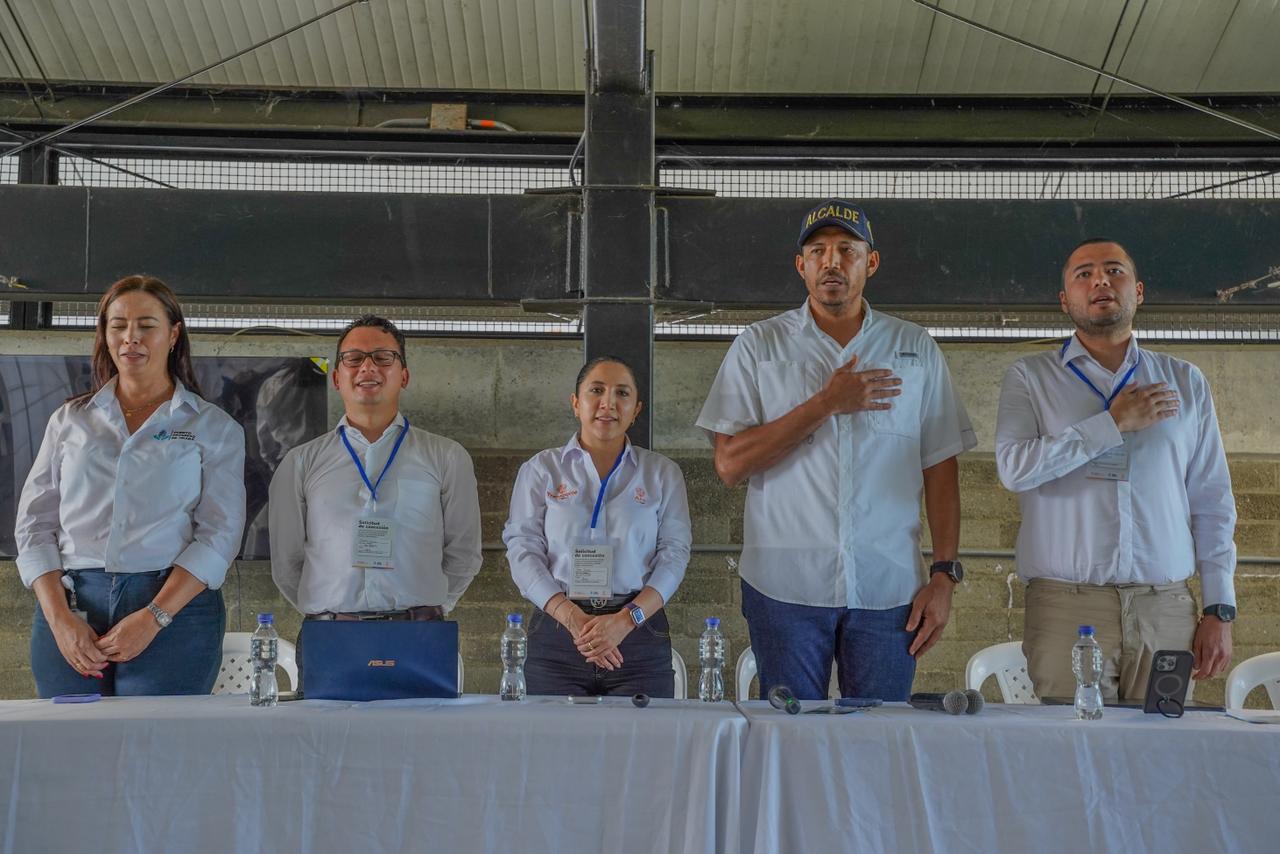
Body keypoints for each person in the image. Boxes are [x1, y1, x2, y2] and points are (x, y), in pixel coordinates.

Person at [696, 200, 976, 701]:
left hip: (889, 589)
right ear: (800, 266)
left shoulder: (914, 347)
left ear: (870, 263)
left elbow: (940, 468)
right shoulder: (759, 345)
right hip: (784, 587)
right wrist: (826, 403)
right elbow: (730, 464)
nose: (832, 262)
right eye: (818, 251)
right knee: (788, 742)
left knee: (880, 742)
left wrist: (944, 576)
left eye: (847, 250)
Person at [995, 238, 1236, 700]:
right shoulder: (1030, 377)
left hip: (1165, 607)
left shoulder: (1184, 381)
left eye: (1114, 270)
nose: (1100, 280)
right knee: (1071, 757)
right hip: (1066, 606)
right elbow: (1014, 469)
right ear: (1065, 300)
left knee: (1161, 760)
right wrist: (1111, 424)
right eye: (1083, 274)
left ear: (1138, 292)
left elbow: (1212, 502)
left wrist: (1219, 608)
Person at [15, 275, 247, 697]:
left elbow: (220, 534)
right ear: (104, 334)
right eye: (118, 325)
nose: (131, 338)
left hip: (173, 605)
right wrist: (59, 618)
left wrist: (154, 616)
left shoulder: (212, 427)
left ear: (173, 334)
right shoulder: (71, 420)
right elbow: (34, 524)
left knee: (155, 745)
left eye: (146, 325)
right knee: (71, 740)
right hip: (71, 601)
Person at [269, 315, 482, 636]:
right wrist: (328, 611)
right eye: (353, 359)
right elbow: (287, 562)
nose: (367, 368)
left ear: (404, 375)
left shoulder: (448, 457)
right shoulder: (300, 463)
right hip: (330, 635)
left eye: (383, 358)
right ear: (337, 378)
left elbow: (464, 553)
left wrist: (430, 607)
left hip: (419, 634)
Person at [504, 356, 692, 697]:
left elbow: (674, 555)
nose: (609, 403)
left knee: (642, 745)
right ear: (576, 403)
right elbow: (522, 549)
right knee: (552, 746)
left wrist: (625, 621)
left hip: (637, 633)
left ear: (636, 409)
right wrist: (574, 619)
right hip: (557, 635)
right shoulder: (541, 470)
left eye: (622, 393)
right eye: (596, 390)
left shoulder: (662, 474)